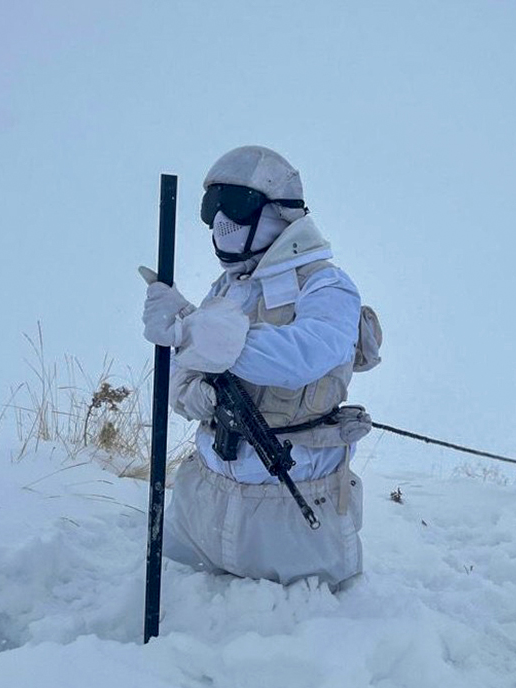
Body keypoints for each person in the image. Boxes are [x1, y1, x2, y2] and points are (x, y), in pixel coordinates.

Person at [140, 145, 379, 590]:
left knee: (290, 644)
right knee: (185, 632)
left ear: (282, 213)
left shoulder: (327, 284)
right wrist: (194, 387)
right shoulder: (229, 287)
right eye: (212, 209)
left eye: (234, 206)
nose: (220, 223)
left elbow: (305, 355)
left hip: (292, 511)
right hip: (205, 503)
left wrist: (190, 329)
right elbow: (188, 373)